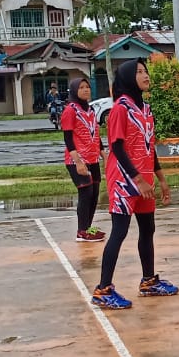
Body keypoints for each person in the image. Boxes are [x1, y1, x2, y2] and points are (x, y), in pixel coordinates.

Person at [90, 60, 176, 310]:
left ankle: (149, 281)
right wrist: (137, 180)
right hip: (125, 180)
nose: (145, 75)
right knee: (119, 232)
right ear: (128, 78)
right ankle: (103, 289)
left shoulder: (146, 109)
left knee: (148, 229)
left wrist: (161, 179)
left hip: (145, 179)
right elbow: (117, 146)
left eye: (145, 70)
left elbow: (150, 147)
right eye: (139, 72)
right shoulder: (120, 109)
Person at [62, 77, 106, 242]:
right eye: (81, 87)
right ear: (74, 90)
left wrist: (104, 154)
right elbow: (67, 138)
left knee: (94, 193)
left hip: (93, 158)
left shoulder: (92, 110)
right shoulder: (70, 110)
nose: (86, 90)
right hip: (77, 159)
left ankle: (88, 228)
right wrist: (78, 162)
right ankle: (82, 231)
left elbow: (95, 134)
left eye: (87, 87)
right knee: (86, 192)